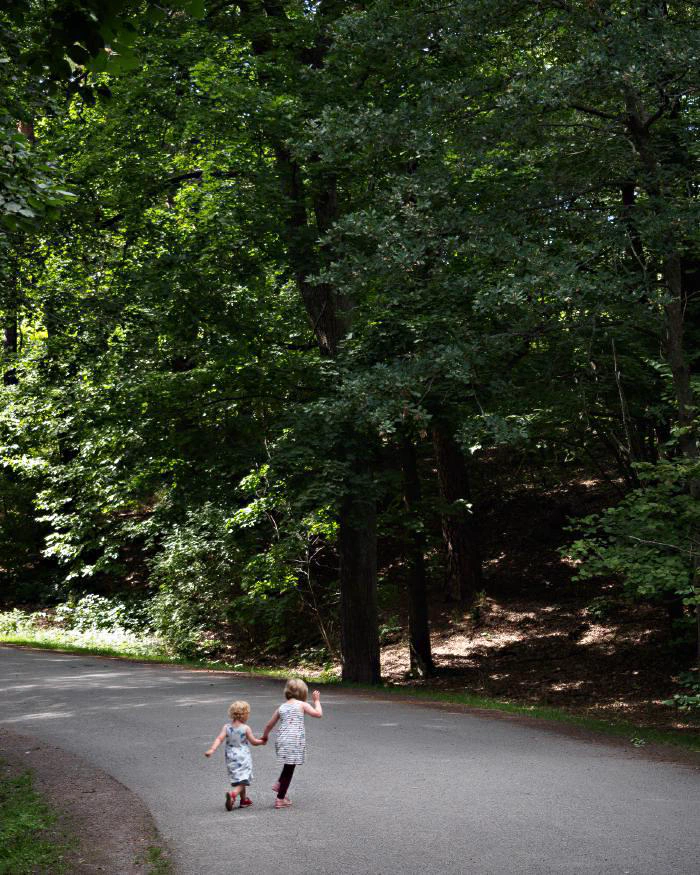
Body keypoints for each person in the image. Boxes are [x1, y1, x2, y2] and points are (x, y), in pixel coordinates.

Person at [261, 678, 323, 809]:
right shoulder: (302, 704)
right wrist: (316, 701)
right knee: (290, 769)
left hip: (282, 741)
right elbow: (318, 714)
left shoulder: (281, 707)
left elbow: (269, 724)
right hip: (294, 742)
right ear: (303, 693)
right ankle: (280, 799)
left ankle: (279, 784)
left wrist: (265, 736)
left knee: (288, 765)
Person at [205, 700, 266, 810]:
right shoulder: (245, 728)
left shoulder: (226, 727)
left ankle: (244, 800)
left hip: (231, 757)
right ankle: (233, 794)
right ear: (245, 715)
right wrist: (262, 741)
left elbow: (219, 738)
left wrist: (212, 749)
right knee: (244, 779)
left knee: (239, 778)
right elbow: (253, 742)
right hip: (243, 758)